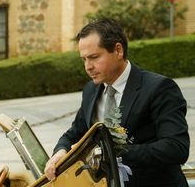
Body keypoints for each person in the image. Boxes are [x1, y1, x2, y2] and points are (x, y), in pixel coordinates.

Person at [44, 18, 190, 186]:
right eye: (83, 59)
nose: (88, 66)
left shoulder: (159, 88)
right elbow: (74, 133)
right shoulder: (91, 90)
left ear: (118, 50)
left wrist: (110, 151)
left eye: (93, 57)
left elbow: (176, 148)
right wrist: (59, 152)